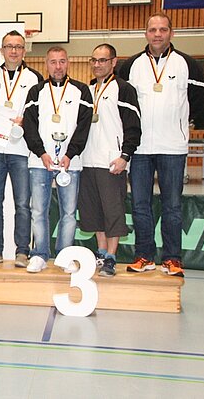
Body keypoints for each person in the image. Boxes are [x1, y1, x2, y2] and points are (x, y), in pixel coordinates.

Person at [117, 12, 204, 277]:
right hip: (140, 148)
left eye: (163, 29)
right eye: (153, 30)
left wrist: (180, 122)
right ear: (146, 33)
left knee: (172, 206)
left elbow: (200, 98)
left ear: (171, 33)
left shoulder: (187, 64)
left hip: (172, 148)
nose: (157, 34)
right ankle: (144, 256)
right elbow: (123, 103)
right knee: (140, 205)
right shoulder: (131, 65)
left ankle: (172, 259)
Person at [23, 46, 93, 273]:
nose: (58, 66)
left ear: (68, 63)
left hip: (70, 162)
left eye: (62, 61)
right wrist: (41, 152)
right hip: (40, 161)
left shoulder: (81, 91)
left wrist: (70, 153)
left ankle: (65, 256)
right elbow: (29, 125)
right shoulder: (36, 91)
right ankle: (39, 255)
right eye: (53, 62)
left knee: (69, 213)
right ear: (46, 64)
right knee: (38, 211)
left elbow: (84, 127)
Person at [0, 31, 42, 267]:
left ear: (24, 51)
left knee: (22, 203)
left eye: (18, 47)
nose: (13, 51)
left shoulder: (35, 78)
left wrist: (26, 122)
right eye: (9, 46)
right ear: (2, 50)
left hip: (21, 149)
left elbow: (39, 113)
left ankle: (22, 251)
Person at [78, 44, 141, 277]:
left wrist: (125, 156)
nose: (97, 65)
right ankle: (101, 252)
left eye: (102, 60)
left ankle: (112, 257)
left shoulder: (124, 89)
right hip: (88, 160)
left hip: (112, 161)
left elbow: (133, 126)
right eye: (94, 60)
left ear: (113, 62)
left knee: (112, 210)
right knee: (94, 210)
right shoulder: (87, 90)